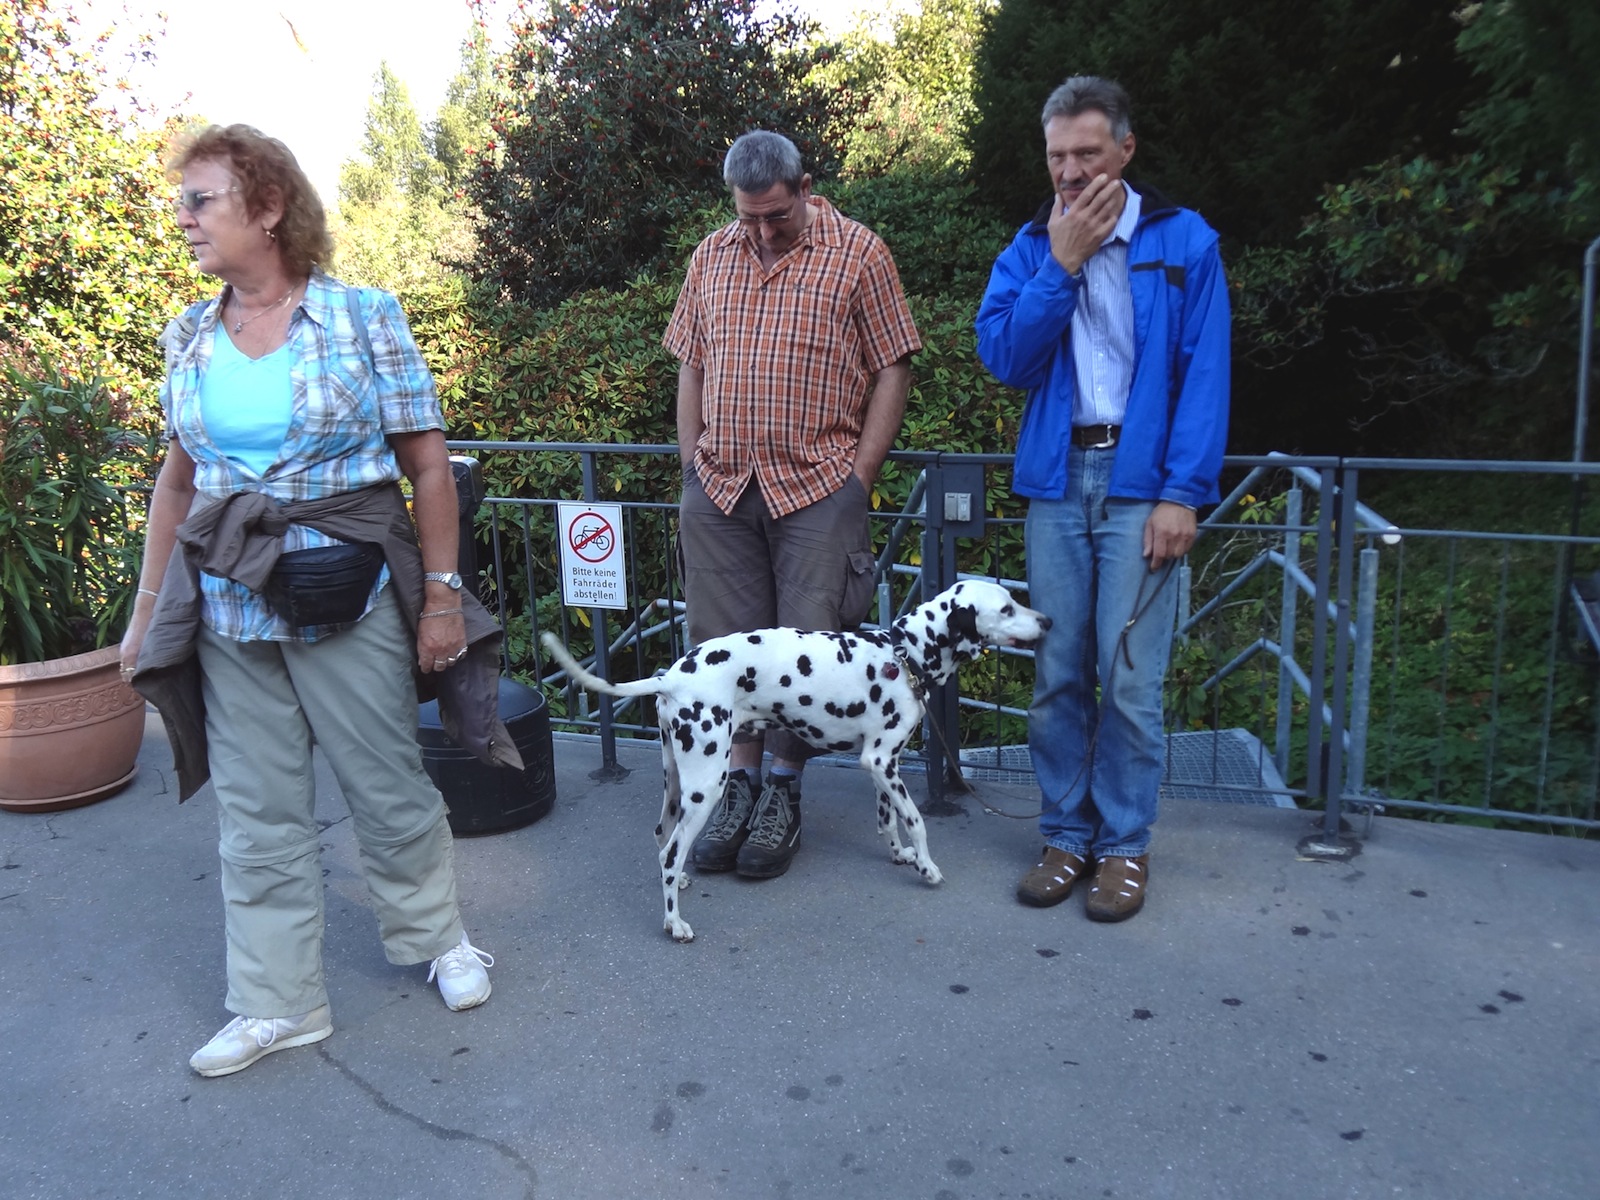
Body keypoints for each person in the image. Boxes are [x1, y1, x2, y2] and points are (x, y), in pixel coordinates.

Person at [122, 125, 518, 1077]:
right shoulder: (189, 335)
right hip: (230, 604)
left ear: (268, 207)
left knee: (384, 780)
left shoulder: (362, 316)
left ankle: (439, 938)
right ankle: (278, 1003)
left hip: (349, 593)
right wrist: (145, 611)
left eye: (201, 199)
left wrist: (441, 600)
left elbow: (428, 467)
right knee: (256, 810)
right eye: (183, 201)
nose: (183, 217)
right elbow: (177, 483)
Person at [975, 77, 1230, 922]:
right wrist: (1061, 265)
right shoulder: (1029, 248)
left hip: (1142, 486)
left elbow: (1204, 376)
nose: (1071, 171)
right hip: (1058, 483)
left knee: (1126, 681)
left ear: (1125, 149)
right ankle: (1065, 836)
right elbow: (1005, 358)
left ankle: (1123, 845)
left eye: (1087, 152)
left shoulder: (1185, 241)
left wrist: (1183, 494)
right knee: (1056, 675)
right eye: (1058, 156)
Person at [663, 130, 922, 880]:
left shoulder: (859, 253)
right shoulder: (710, 256)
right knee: (724, 647)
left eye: (776, 215)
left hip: (818, 489)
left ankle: (783, 791)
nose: (763, 231)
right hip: (720, 488)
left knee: (807, 655)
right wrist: (690, 463)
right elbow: (690, 363)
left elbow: (894, 366)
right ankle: (738, 786)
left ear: (805, 187)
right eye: (749, 217)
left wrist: (859, 479)